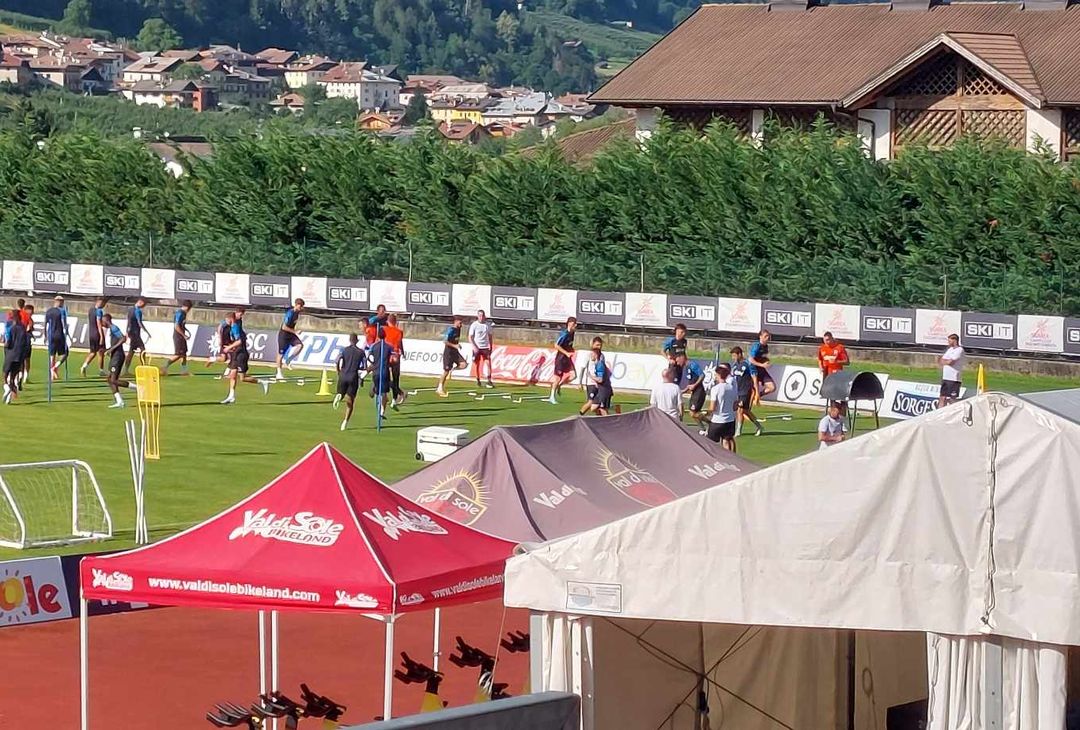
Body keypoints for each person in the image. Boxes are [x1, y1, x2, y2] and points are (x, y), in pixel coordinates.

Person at [221, 310, 269, 405]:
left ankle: (263, 382)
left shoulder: (235, 327)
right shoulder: (232, 327)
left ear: (230, 319)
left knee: (242, 378)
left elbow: (239, 341)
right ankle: (231, 396)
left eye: (227, 320)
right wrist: (231, 347)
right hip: (236, 352)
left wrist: (229, 348)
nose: (226, 321)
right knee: (232, 375)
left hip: (241, 354)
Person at [101, 314, 137, 409]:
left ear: (106, 320)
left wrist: (111, 349)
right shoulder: (112, 329)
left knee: (113, 380)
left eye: (102, 321)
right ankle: (119, 401)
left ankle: (137, 388)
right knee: (109, 379)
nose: (101, 323)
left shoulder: (113, 328)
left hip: (118, 357)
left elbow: (123, 339)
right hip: (115, 356)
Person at [333, 333, 367, 430]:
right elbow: (364, 366)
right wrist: (361, 375)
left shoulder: (344, 350)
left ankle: (339, 396)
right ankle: (345, 421)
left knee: (341, 393)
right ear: (357, 341)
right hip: (353, 376)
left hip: (343, 375)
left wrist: (338, 371)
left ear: (349, 340)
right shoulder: (361, 352)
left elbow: (337, 360)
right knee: (351, 400)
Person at [729, 346, 763, 437]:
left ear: (739, 354)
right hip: (737, 390)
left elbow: (754, 377)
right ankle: (759, 426)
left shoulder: (748, 364)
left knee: (740, 410)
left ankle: (738, 431)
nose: (733, 358)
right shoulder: (735, 365)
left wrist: (756, 391)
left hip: (746, 390)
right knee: (745, 411)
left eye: (734, 355)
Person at [705, 364, 738, 451]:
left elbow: (712, 407)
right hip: (730, 420)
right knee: (726, 441)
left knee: (710, 443)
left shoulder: (715, 389)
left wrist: (706, 413)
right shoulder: (732, 388)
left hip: (718, 420)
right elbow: (735, 406)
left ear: (718, 375)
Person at [579, 336, 613, 416]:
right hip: (591, 384)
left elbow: (602, 370)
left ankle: (580, 416)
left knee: (596, 405)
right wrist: (580, 382)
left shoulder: (601, 356)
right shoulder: (589, 355)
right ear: (593, 344)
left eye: (600, 345)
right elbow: (583, 368)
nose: (599, 347)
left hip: (599, 383)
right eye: (597, 345)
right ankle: (581, 416)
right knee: (592, 404)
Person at [548, 316, 578, 405]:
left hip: (567, 358)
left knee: (573, 376)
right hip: (561, 358)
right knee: (557, 378)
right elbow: (556, 345)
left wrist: (571, 350)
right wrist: (566, 353)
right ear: (570, 324)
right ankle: (552, 397)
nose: (575, 326)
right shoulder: (564, 333)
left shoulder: (573, 333)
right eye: (574, 324)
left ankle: (559, 385)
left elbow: (569, 344)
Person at [436, 316, 468, 398]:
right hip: (448, 352)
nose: (461, 325)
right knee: (446, 371)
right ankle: (440, 388)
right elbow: (445, 341)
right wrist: (455, 346)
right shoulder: (451, 330)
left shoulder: (458, 329)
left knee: (463, 364)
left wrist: (457, 346)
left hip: (455, 352)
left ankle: (452, 370)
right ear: (456, 322)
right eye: (460, 323)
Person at [275, 298, 305, 381]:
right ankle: (278, 372)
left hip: (291, 334)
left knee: (300, 345)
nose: (301, 308)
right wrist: (295, 331)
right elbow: (284, 327)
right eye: (300, 306)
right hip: (284, 335)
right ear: (297, 305)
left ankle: (288, 360)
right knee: (280, 354)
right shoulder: (290, 313)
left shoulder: (297, 314)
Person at [367, 328, 394, 418]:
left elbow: (369, 357)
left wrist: (373, 364)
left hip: (376, 371)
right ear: (385, 335)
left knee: (381, 392)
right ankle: (382, 411)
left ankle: (375, 388)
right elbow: (394, 358)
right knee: (384, 393)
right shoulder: (389, 347)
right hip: (384, 371)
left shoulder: (374, 346)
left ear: (378, 336)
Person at [161, 300, 193, 376]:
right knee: (178, 354)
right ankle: (164, 367)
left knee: (184, 353)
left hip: (181, 336)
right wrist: (184, 335)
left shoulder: (183, 313)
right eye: (189, 309)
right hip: (178, 336)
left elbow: (181, 325)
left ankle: (184, 371)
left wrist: (186, 331)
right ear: (187, 307)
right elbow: (176, 326)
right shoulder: (180, 313)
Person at [3, 309, 27, 404]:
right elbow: (24, 343)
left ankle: (6, 388)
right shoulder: (23, 328)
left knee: (4, 376)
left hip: (10, 354)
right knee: (13, 377)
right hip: (19, 356)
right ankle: (9, 399)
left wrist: (5, 344)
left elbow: (8, 342)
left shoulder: (11, 327)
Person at [122, 297, 151, 376]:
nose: (144, 306)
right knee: (142, 350)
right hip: (135, 334)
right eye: (144, 304)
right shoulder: (138, 311)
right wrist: (146, 332)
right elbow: (139, 322)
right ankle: (143, 368)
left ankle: (125, 370)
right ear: (141, 302)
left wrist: (127, 332)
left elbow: (128, 321)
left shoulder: (130, 310)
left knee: (131, 352)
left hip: (131, 333)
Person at [80, 297, 107, 377]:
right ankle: (101, 370)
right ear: (99, 302)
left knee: (93, 352)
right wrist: (102, 336)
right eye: (103, 303)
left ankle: (84, 366)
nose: (104, 305)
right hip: (97, 334)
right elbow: (99, 324)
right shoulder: (99, 311)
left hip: (91, 333)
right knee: (101, 352)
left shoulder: (91, 310)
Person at [677, 353, 707, 426]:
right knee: (693, 413)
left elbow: (702, 375)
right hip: (694, 393)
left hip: (699, 392)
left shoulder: (692, 365)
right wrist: (683, 391)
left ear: (682, 357)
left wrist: (695, 385)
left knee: (693, 413)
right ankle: (703, 429)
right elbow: (691, 383)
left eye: (678, 360)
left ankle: (711, 423)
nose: (678, 363)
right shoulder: (687, 367)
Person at [468, 310, 495, 389]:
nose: (481, 317)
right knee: (477, 364)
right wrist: (474, 347)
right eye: (480, 315)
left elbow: (490, 337)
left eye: (482, 315)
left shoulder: (487, 325)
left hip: (485, 347)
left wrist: (490, 346)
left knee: (488, 363)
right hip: (477, 347)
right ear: (477, 316)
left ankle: (489, 380)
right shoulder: (474, 325)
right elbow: (470, 337)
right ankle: (478, 379)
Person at [748, 329, 776, 405]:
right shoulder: (756, 346)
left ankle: (758, 395)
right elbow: (750, 359)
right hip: (753, 370)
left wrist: (766, 361)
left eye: (768, 336)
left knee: (772, 387)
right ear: (760, 337)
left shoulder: (766, 346)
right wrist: (762, 365)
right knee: (754, 390)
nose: (767, 338)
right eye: (766, 336)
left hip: (761, 370)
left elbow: (762, 357)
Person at [44, 295, 69, 380]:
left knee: (52, 354)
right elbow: (64, 323)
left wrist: (45, 336)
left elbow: (45, 324)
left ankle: (53, 373)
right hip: (59, 335)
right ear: (59, 302)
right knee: (65, 353)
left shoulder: (49, 311)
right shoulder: (61, 311)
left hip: (51, 335)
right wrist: (67, 334)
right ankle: (55, 367)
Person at [384, 313, 405, 406]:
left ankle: (396, 395)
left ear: (388, 321)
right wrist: (403, 352)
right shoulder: (399, 332)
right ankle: (394, 398)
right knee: (396, 378)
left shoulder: (384, 330)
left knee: (386, 377)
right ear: (396, 322)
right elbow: (400, 343)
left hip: (387, 355)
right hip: (396, 355)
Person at [938, 333, 965, 407]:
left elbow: (951, 362)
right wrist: (946, 361)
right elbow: (941, 360)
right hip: (946, 377)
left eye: (950, 341)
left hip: (954, 378)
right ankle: (939, 414)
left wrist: (946, 361)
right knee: (942, 397)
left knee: (951, 399)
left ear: (954, 340)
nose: (948, 342)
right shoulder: (950, 350)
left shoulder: (959, 350)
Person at [206, 311, 236, 378]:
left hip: (229, 343)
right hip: (224, 343)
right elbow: (219, 329)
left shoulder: (232, 325)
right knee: (229, 358)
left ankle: (212, 359)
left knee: (226, 359)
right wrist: (220, 339)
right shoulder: (224, 324)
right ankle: (226, 374)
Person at [18, 302, 33, 387]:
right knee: (27, 359)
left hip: (19, 341)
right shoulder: (28, 318)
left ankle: (21, 375)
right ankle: (25, 377)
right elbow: (29, 328)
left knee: (21, 360)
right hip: (26, 340)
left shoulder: (18, 315)